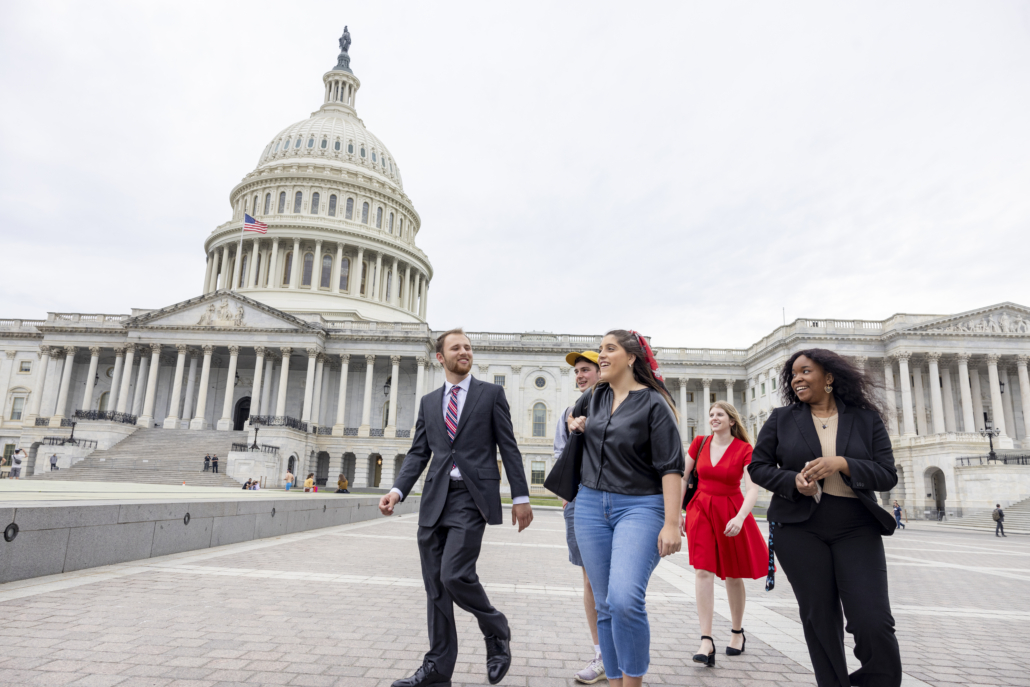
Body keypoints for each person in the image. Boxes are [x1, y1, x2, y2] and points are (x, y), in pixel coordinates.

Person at [379, 328, 533, 687]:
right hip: (435, 498)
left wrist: (521, 497)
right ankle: (438, 668)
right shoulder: (429, 402)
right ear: (440, 357)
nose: (464, 351)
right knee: (436, 587)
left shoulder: (491, 394)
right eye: (456, 347)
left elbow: (508, 447)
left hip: (471, 497)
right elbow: (419, 452)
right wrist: (398, 491)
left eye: (468, 347)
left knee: (454, 575)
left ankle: (496, 629)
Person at [748, 348, 902, 687]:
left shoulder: (865, 419)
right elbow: (758, 467)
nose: (797, 379)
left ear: (829, 377)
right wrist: (793, 482)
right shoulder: (781, 418)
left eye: (805, 371)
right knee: (820, 619)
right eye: (793, 375)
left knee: (872, 619)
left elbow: (886, 474)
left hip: (856, 525)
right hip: (800, 528)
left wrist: (843, 464)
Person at [566, 330, 684, 687]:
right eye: (600, 349)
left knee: (624, 599)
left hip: (640, 506)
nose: (601, 355)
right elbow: (575, 420)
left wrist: (672, 523)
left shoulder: (653, 403)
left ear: (631, 357)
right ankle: (613, 681)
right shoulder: (595, 396)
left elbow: (671, 467)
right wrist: (575, 424)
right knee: (604, 604)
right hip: (589, 504)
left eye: (609, 349)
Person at [683, 401, 768, 667]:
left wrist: (741, 517)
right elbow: (683, 478)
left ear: (732, 420)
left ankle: (737, 632)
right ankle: (706, 640)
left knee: (732, 574)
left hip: (731, 510)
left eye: (720, 414)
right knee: (703, 571)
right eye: (711, 415)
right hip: (700, 509)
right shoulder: (699, 443)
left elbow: (752, 488)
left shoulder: (745, 449)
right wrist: (677, 513)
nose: (713, 418)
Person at [554, 350, 604, 684]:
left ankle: (621, 651)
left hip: (617, 500)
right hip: (580, 500)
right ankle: (602, 653)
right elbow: (559, 452)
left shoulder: (626, 405)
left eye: (586, 370)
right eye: (577, 372)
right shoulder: (569, 412)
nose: (580, 376)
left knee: (617, 582)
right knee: (590, 579)